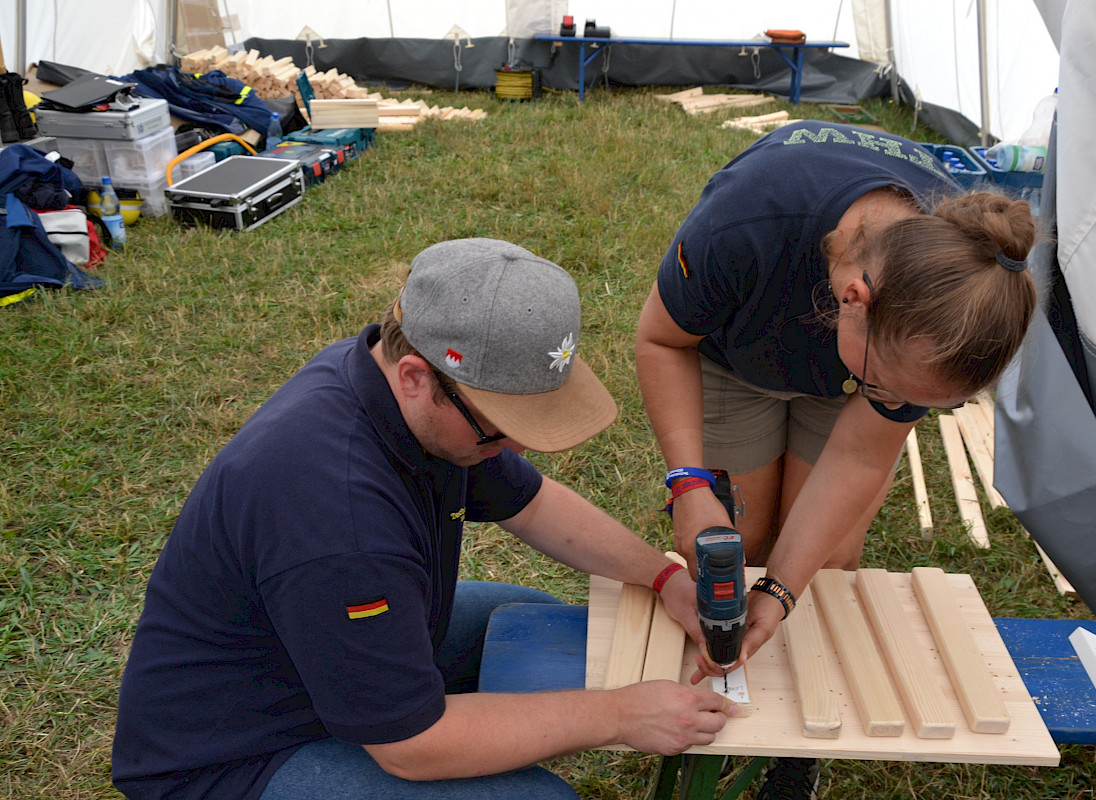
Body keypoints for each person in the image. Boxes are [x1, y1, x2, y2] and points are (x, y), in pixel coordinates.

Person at [112, 238, 738, 800]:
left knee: (520, 617)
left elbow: (535, 503)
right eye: (502, 430)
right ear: (417, 376)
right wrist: (621, 715)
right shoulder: (340, 523)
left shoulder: (394, 386)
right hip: (233, 758)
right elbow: (413, 749)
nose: (515, 448)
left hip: (308, 662)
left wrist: (665, 578)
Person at [635, 121, 1038, 798]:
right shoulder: (746, 224)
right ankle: (711, 715)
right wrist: (688, 481)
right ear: (856, 298)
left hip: (860, 361)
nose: (895, 407)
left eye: (915, 403)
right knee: (743, 539)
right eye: (895, 392)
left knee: (830, 564)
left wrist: (785, 591)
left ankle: (799, 746)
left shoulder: (953, 282)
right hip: (737, 359)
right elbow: (660, 339)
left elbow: (860, 455)